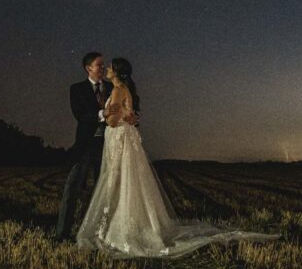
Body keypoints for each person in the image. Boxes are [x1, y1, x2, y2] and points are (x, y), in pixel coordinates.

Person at [75, 58, 280, 258]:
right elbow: (127, 116)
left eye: (110, 67)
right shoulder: (119, 90)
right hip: (121, 140)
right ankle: (129, 223)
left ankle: (125, 229)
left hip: (119, 140)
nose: (107, 69)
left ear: (118, 73)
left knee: (120, 181)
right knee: (126, 182)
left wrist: (109, 115)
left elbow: (111, 122)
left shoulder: (118, 90)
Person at [54, 51, 136, 240]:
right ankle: (62, 233)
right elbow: (80, 115)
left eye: (103, 65)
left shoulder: (112, 86)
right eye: (99, 65)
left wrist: (130, 116)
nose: (102, 68)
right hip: (85, 144)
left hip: (107, 145)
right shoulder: (76, 89)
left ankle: (101, 233)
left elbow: (126, 107)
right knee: (72, 187)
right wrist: (103, 113)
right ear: (88, 68)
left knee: (104, 190)